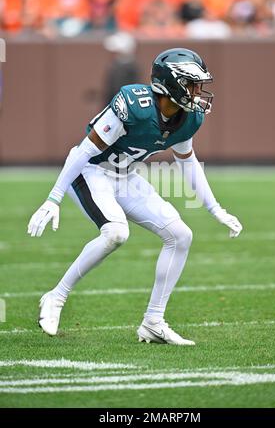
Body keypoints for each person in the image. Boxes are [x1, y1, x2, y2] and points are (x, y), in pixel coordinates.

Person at [27, 48, 242, 346]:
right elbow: (84, 152)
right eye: (191, 85)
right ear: (171, 85)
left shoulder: (188, 118)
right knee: (116, 232)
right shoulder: (133, 104)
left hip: (125, 176)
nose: (197, 92)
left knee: (180, 235)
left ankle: (153, 322)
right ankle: (56, 296)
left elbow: (187, 161)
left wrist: (215, 208)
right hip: (90, 171)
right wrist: (53, 198)